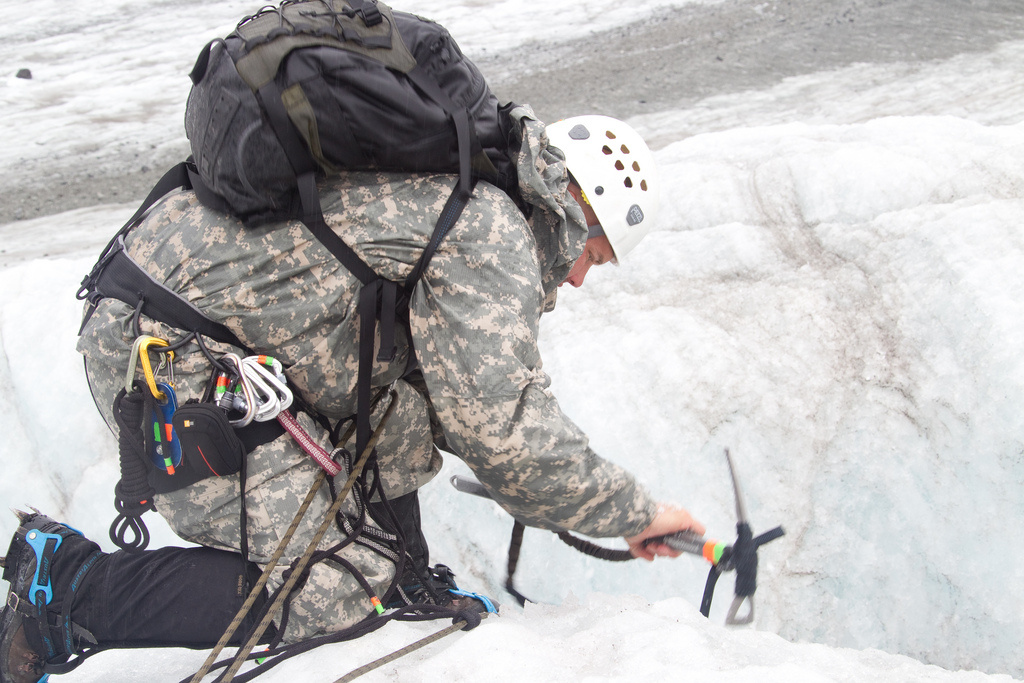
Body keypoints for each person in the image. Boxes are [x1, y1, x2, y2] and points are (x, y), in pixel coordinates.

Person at [0, 108, 705, 682]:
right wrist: (634, 513)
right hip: (165, 352)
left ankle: (403, 579)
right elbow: (501, 428)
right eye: (593, 256)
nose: (579, 277)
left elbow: (438, 397)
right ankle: (65, 589)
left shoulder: (470, 194)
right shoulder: (490, 232)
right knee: (331, 585)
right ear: (575, 207)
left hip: (182, 317)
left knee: (400, 411)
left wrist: (412, 558)